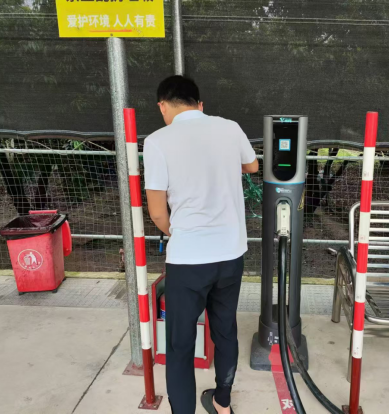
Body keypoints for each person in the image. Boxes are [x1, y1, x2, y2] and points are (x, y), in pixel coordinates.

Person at [144, 75, 259, 415]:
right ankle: (222, 402)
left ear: (163, 106)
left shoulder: (157, 141)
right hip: (231, 254)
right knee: (225, 330)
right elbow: (252, 165)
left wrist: (177, 233)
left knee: (180, 345)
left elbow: (156, 211)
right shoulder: (230, 128)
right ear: (200, 105)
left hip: (188, 260)